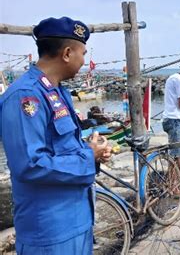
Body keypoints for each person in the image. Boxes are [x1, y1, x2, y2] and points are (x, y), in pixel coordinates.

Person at [0, 17, 112, 254]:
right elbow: (30, 165)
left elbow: (62, 146)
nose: (84, 60)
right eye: (83, 53)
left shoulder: (58, 91)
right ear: (67, 53)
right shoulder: (25, 96)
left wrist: (93, 153)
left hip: (77, 218)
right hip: (50, 230)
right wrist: (86, 157)